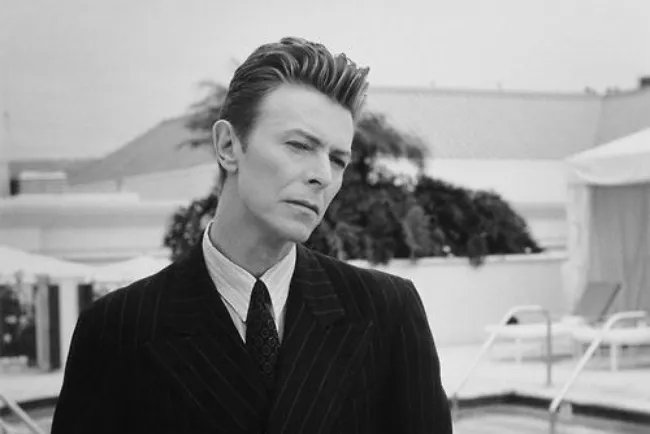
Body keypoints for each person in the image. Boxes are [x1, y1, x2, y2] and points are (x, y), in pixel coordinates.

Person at [51, 37, 452, 434]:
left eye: (337, 159)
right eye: (299, 145)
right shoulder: (118, 329)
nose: (322, 175)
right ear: (228, 146)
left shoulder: (386, 312)